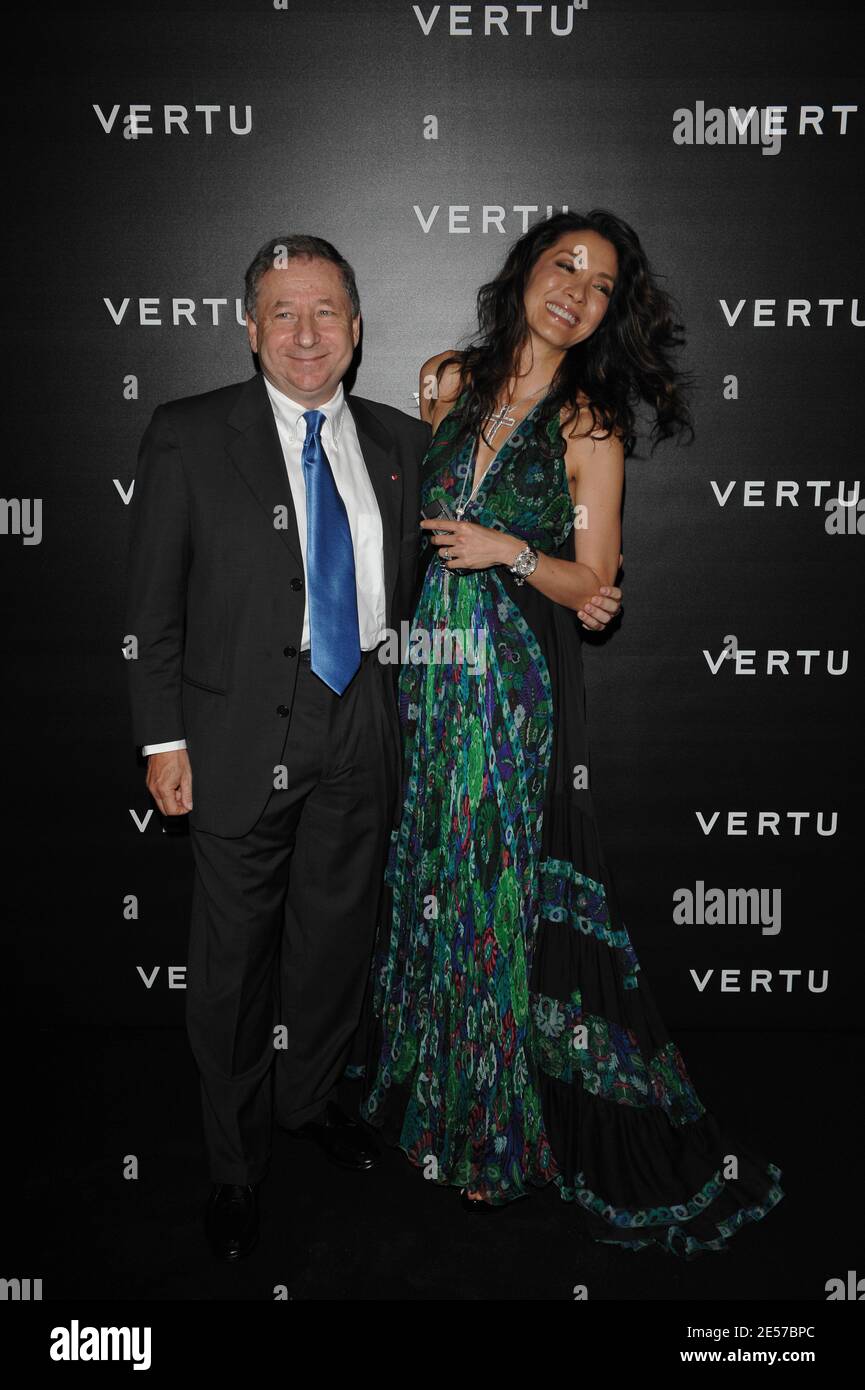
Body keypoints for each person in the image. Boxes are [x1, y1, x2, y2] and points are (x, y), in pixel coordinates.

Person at [361, 210, 785, 1257]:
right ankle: (428, 1104)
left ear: (606, 312)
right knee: (430, 877)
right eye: (565, 268)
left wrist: (510, 548)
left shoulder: (587, 423)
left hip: (506, 685)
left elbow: (594, 581)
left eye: (599, 285)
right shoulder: (444, 378)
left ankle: (492, 1137)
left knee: (492, 892)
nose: (578, 293)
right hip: (424, 671)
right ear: (525, 273)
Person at [125, 234, 430, 1261]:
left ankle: (308, 1100)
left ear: (357, 325)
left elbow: (408, 587)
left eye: (328, 312)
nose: (308, 334)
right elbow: (151, 608)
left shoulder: (399, 440)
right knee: (229, 967)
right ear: (248, 326)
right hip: (235, 729)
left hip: (358, 715)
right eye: (284, 313)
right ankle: (232, 1164)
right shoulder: (187, 433)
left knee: (336, 939)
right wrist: (163, 737)